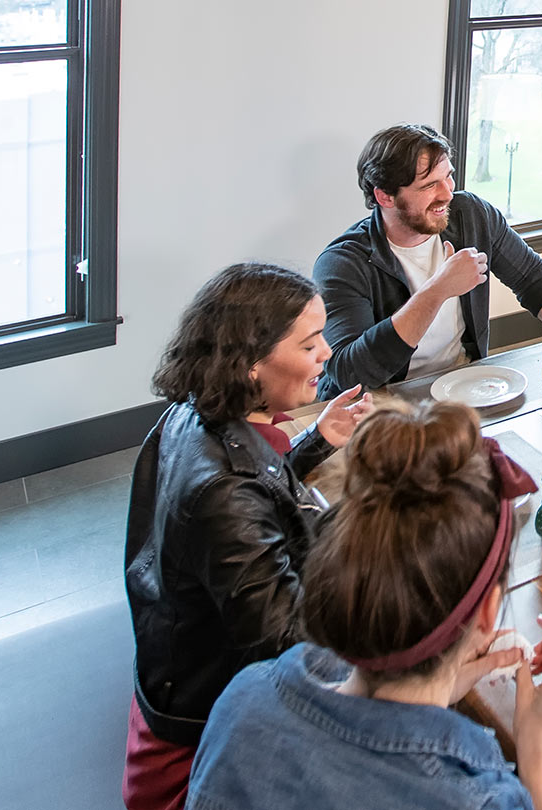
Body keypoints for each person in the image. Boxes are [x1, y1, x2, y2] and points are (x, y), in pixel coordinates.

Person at [187, 398, 542, 810]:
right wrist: (540, 765)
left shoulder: (243, 700)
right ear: (487, 612)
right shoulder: (479, 799)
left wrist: (434, 685)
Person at [123, 263, 375, 810]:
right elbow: (285, 639)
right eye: (311, 345)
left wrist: (314, 440)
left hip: (172, 674)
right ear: (251, 366)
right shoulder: (223, 493)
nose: (328, 353)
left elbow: (257, 488)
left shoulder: (194, 413)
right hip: (197, 741)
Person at [314, 123, 542, 398]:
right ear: (385, 197)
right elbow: (348, 373)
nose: (447, 193)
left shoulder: (470, 215)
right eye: (428, 185)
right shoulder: (343, 263)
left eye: (447, 177)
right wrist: (437, 290)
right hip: (380, 402)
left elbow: (531, 276)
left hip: (465, 387)